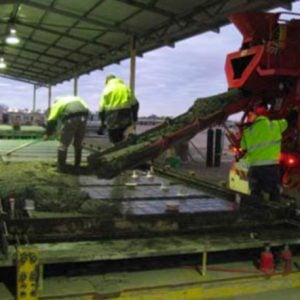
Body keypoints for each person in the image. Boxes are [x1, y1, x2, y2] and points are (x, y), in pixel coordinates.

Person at [240, 105, 287, 201]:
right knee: (273, 193)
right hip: (270, 167)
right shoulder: (274, 125)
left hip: (254, 167)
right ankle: (275, 213)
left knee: (255, 193)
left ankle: (255, 213)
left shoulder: (247, 130)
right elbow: (286, 122)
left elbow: (243, 146)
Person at [45, 95, 89, 171]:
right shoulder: (77, 98)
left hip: (71, 118)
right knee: (78, 143)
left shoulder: (57, 104)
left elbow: (52, 120)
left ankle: (61, 167)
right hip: (84, 117)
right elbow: (87, 109)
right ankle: (77, 165)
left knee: (63, 144)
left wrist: (47, 134)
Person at [98, 74, 139, 144]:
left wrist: (102, 123)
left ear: (107, 81)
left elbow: (101, 110)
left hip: (112, 118)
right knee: (127, 136)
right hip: (126, 115)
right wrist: (134, 118)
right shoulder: (125, 87)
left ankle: (116, 150)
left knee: (115, 140)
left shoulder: (106, 90)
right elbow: (135, 104)